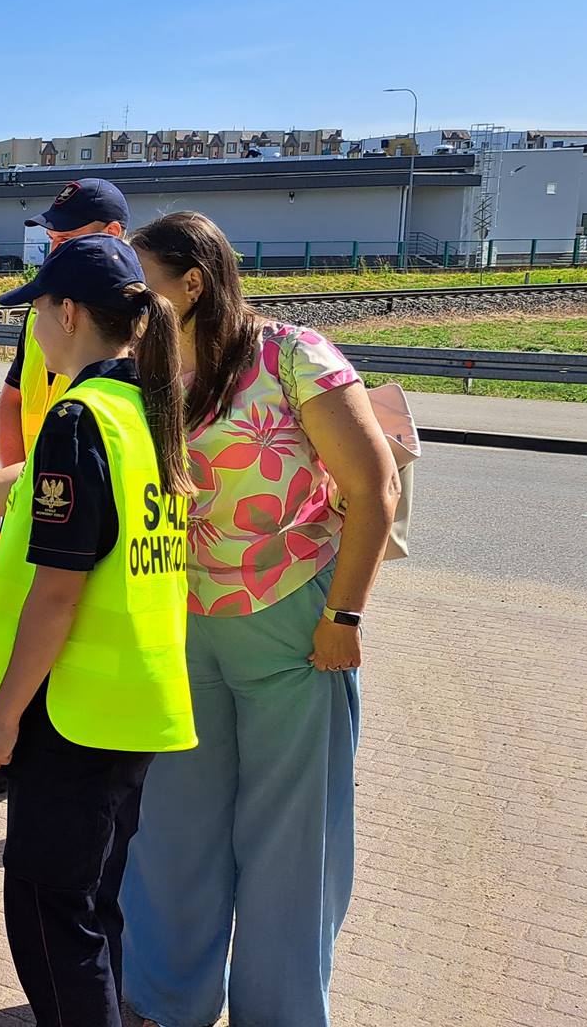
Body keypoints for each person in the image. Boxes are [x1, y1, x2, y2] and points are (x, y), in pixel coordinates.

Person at [0, 235, 196, 1027]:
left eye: (36, 317)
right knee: (96, 904)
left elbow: (56, 592)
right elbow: (33, 490)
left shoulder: (80, 417)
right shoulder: (145, 409)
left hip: (72, 712)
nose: (30, 336)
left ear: (66, 313)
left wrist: (4, 720)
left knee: (53, 922)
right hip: (136, 704)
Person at [120, 211, 400, 1027]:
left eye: (145, 286)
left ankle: (278, 1012)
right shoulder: (148, 369)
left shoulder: (291, 355)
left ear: (194, 282)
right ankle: (168, 1001)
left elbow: (373, 490)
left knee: (290, 841)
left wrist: (344, 615)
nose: (135, 304)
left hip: (294, 623)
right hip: (183, 625)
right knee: (172, 830)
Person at [0, 178, 130, 464]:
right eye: (52, 240)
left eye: (66, 240)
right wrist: (15, 488)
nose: (55, 253)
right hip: (30, 487)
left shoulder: (131, 316)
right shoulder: (42, 306)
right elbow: (11, 399)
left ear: (113, 232)